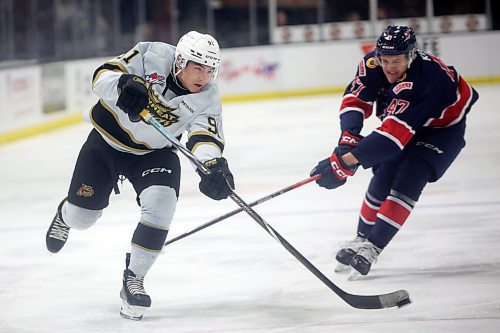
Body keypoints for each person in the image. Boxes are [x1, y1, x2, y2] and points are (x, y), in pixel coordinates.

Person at [45, 31, 235, 320]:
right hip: (106, 143)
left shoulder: (208, 96)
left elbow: (204, 135)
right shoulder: (152, 55)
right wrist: (124, 84)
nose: (203, 77)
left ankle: (134, 278)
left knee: (162, 202)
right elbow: (101, 76)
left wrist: (213, 165)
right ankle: (65, 214)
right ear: (180, 61)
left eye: (210, 70)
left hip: (154, 153)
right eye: (198, 67)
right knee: (82, 219)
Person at [310, 26, 478, 276]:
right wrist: (347, 143)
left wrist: (345, 161)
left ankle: (373, 247)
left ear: (411, 56)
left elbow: (391, 139)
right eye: (384, 60)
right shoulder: (372, 64)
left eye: (396, 61)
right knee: (384, 172)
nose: (389, 67)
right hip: (402, 125)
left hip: (441, 131)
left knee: (411, 174)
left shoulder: (431, 78)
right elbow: (354, 100)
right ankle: (361, 238)